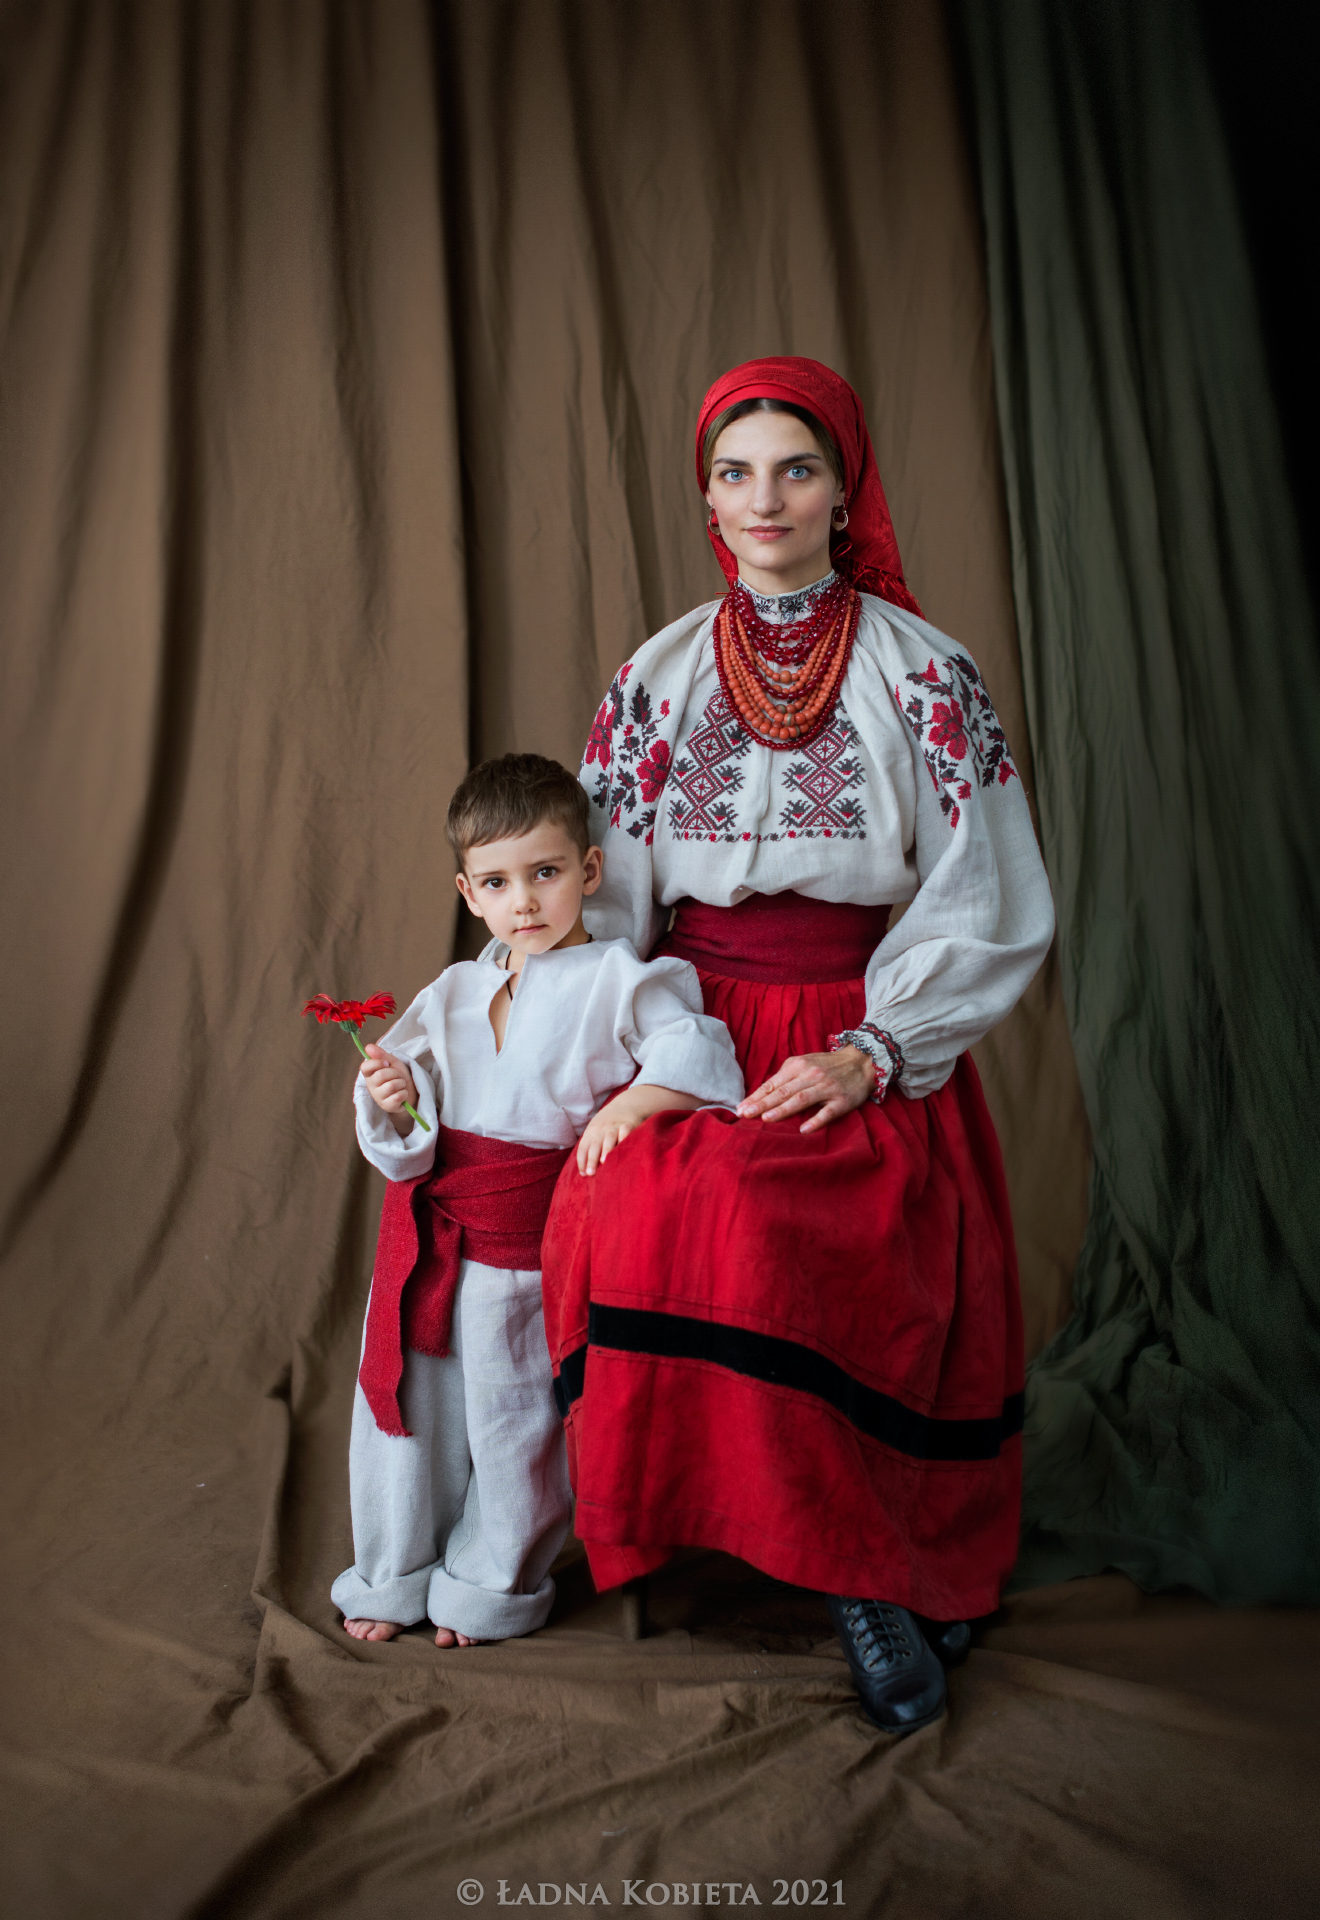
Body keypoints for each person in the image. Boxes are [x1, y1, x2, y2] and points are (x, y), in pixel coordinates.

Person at [540, 357, 1056, 1734]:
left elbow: (985, 891)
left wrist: (875, 1052)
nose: (763, 500)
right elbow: (596, 890)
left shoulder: (924, 673)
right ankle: (765, 1546)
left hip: (857, 1029)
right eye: (733, 473)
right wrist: (617, 1051)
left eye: (796, 469)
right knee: (652, 1195)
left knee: (789, 1226)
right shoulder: (654, 678)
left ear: (844, 489)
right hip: (690, 1027)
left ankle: (868, 1571)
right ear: (705, 495)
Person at [331, 753, 744, 1649]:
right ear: (468, 892)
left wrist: (636, 1101)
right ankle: (391, 1572)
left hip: (530, 1248)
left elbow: (701, 1052)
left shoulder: (620, 980)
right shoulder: (454, 990)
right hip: (434, 1237)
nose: (524, 901)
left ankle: (488, 1585)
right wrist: (397, 1094)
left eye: (545, 873)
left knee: (517, 1424)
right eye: (497, 882)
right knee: (407, 1415)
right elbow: (406, 1137)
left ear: (587, 873)